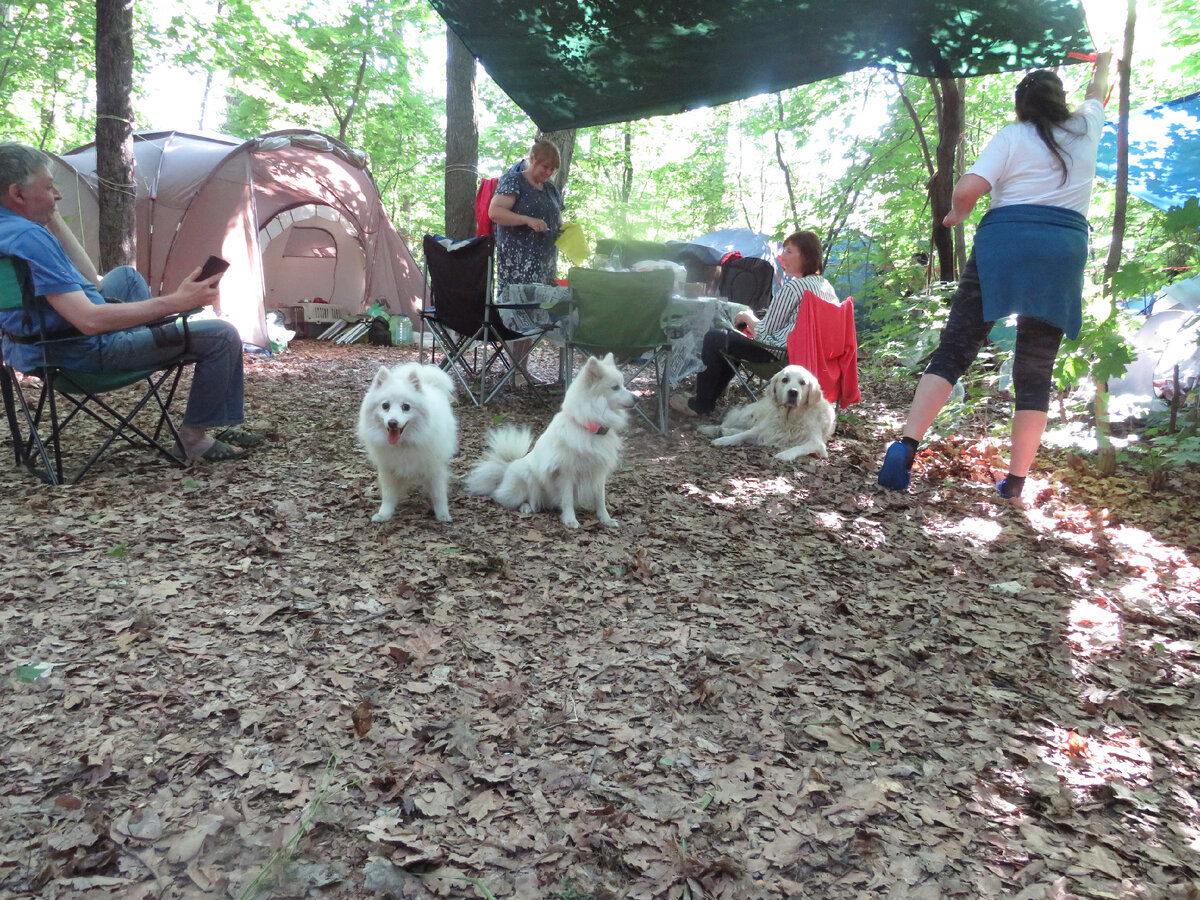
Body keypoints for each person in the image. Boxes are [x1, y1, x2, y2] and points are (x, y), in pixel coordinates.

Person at [877, 54, 1112, 498]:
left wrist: (954, 215)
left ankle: (905, 447)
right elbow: (1099, 91)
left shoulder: (1013, 136)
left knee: (956, 348)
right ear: (1061, 102)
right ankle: (1015, 482)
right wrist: (1105, 63)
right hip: (1062, 249)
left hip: (1005, 242)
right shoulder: (1085, 128)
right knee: (1035, 367)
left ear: (1021, 107)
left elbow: (968, 188)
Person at [0, 141, 258, 462]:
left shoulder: (13, 230)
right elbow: (90, 320)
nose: (59, 194)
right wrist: (176, 302)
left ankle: (166, 340)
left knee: (125, 276)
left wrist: (49, 217)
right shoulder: (28, 238)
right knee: (221, 335)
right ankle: (194, 438)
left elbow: (90, 278)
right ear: (17, 193)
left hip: (30, 349)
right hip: (83, 353)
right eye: (49, 187)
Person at [671, 230, 839, 418]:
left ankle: (701, 404)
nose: (782, 256)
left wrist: (747, 316)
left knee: (715, 336)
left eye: (789, 251)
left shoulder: (795, 287)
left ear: (807, 256)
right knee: (730, 339)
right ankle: (707, 401)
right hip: (811, 360)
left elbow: (765, 331)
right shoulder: (825, 286)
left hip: (779, 357)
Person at [488, 138, 564, 291]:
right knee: (519, 309)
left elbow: (557, 221)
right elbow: (495, 212)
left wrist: (563, 231)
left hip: (546, 266)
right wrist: (527, 220)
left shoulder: (551, 189)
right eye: (545, 167)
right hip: (518, 265)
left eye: (553, 169)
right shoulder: (514, 181)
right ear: (532, 159)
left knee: (543, 308)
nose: (549, 173)